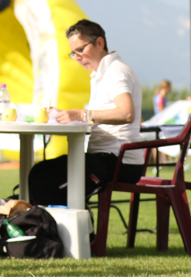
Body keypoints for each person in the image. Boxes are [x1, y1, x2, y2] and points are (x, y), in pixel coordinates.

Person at [29, 20, 145, 205]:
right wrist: (66, 115)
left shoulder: (116, 72)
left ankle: (71, 223)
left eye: (80, 50)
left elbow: (126, 113)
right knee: (38, 172)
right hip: (106, 157)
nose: (77, 58)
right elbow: (100, 115)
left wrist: (82, 115)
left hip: (119, 161)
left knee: (44, 183)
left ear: (99, 43)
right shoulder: (101, 73)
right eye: (73, 53)